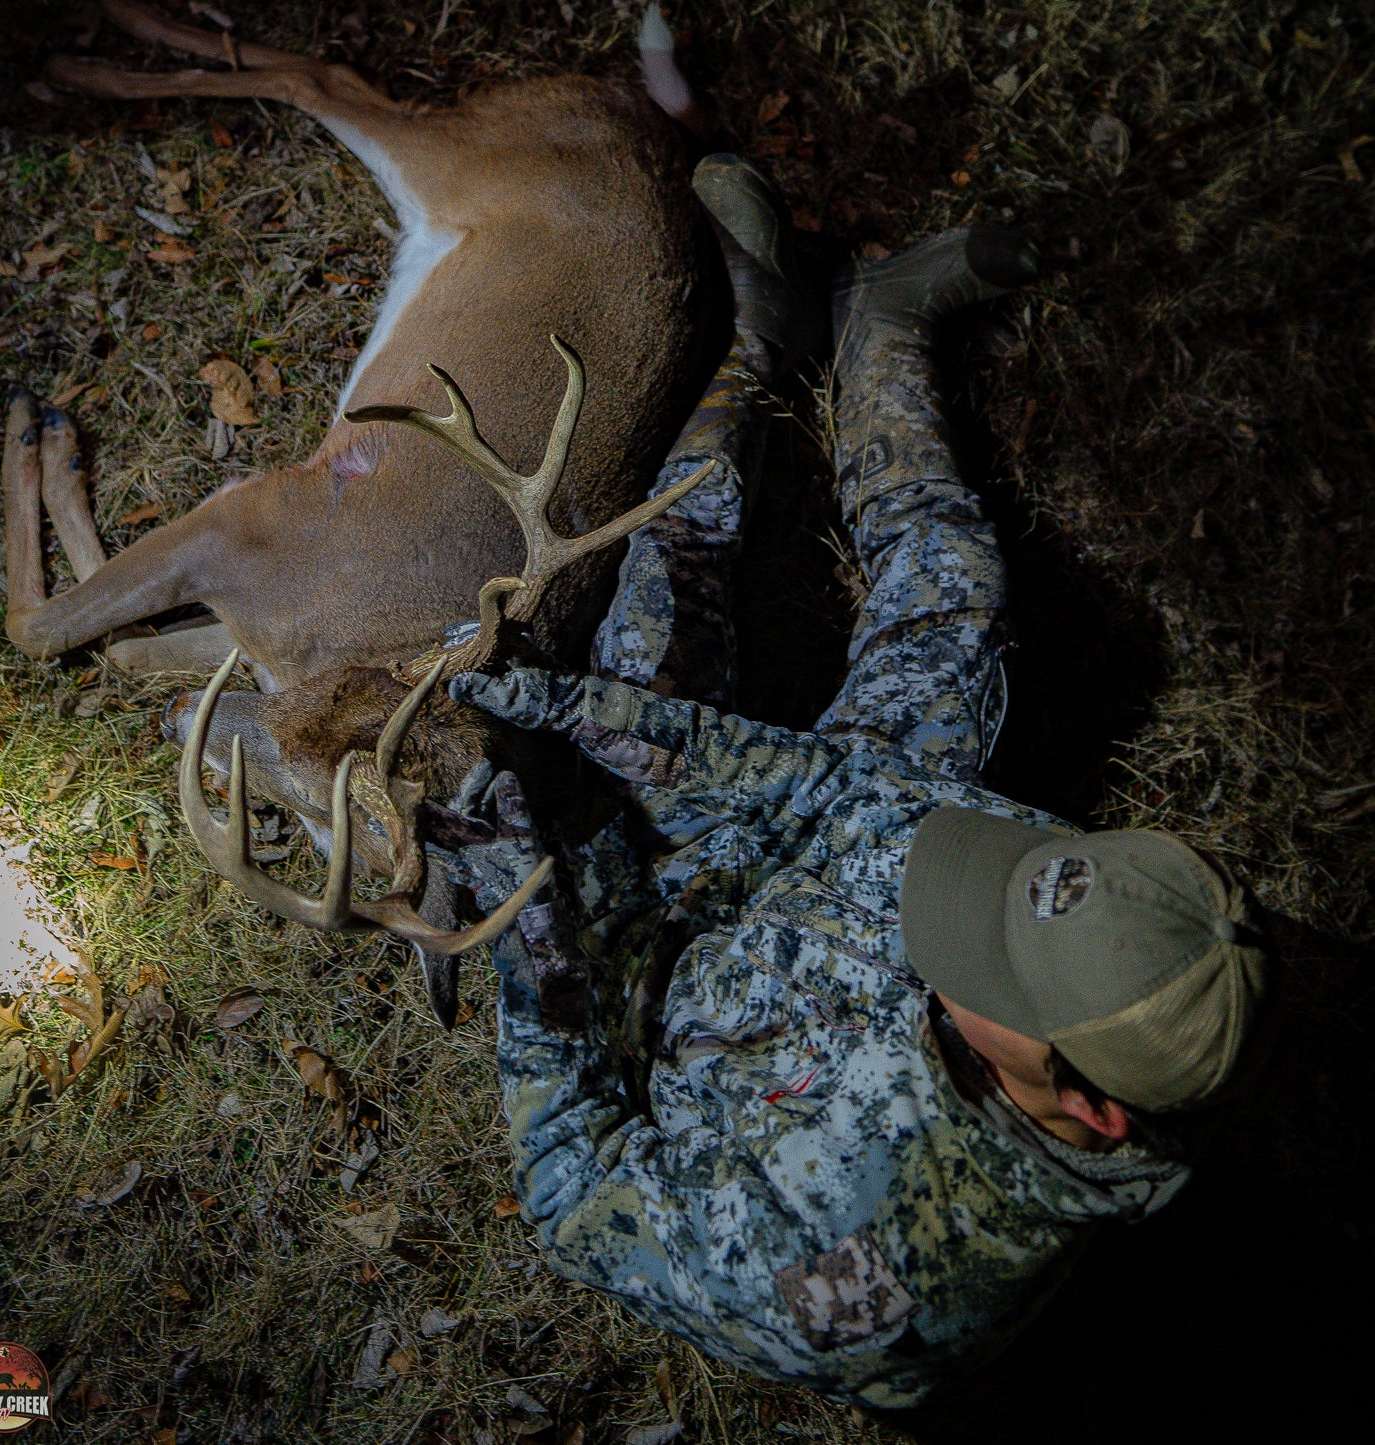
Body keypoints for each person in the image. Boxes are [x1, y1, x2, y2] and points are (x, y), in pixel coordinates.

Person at [435, 157, 1279, 1411]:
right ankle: (856, 331)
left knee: (634, 639)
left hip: (673, 959)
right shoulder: (1070, 914)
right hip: (819, 846)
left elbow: (571, 1191)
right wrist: (589, 714)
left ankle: (760, 344)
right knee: (942, 586)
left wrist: (542, 957)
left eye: (981, 955)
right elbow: (841, 800)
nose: (974, 887)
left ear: (1087, 1112)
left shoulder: (841, 1281)